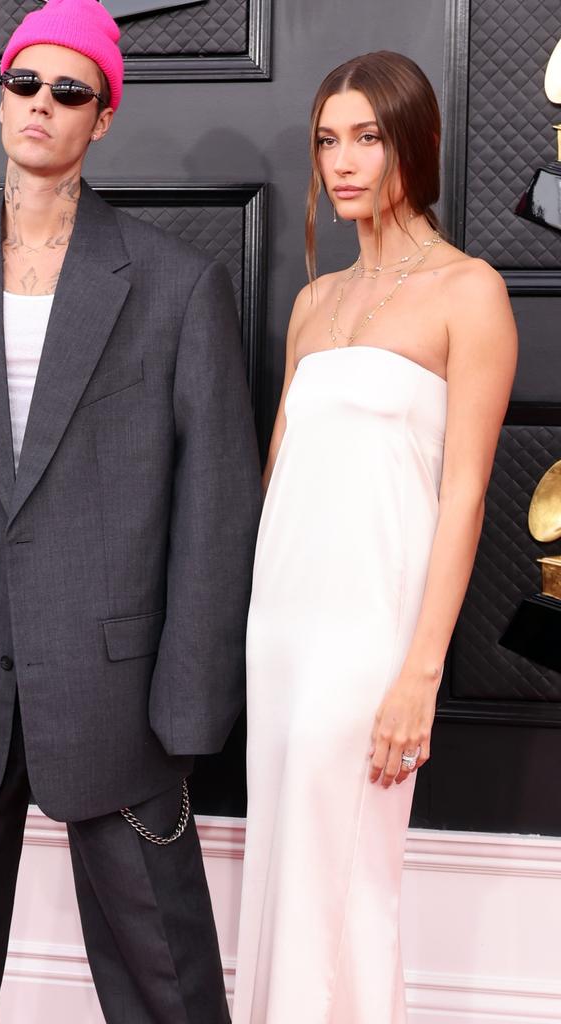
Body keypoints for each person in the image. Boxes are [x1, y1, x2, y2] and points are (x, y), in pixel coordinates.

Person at [0, 1, 261, 1021]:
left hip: (118, 701)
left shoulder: (175, 285)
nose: (40, 106)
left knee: (171, 989)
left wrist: (189, 702)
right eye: (26, 83)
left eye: (69, 91)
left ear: (102, 117)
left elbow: (215, 510)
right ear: (2, 99)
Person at [232, 51, 517, 1023]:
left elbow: (467, 493)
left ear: (416, 144)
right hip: (281, 627)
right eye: (326, 139)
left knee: (349, 880)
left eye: (366, 136)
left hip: (372, 636)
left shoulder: (469, 292)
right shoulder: (314, 305)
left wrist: (418, 672)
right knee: (284, 872)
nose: (341, 160)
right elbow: (280, 481)